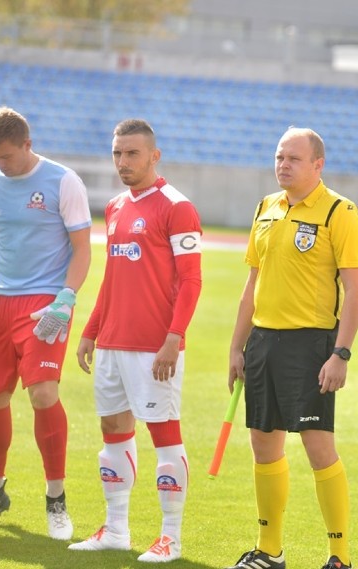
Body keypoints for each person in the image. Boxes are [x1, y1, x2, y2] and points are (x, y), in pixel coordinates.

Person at [225, 127, 358, 569]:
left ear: (317, 165)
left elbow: (356, 290)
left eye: (293, 159)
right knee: (264, 446)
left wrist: (340, 354)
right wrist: (237, 347)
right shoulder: (266, 208)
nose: (283, 165)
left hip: (311, 345)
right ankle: (270, 552)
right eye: (279, 157)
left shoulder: (339, 211)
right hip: (263, 342)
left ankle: (339, 557)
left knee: (318, 447)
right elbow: (253, 284)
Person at [68, 119, 202, 563]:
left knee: (165, 436)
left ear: (153, 156)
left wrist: (173, 338)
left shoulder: (177, 207)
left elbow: (191, 281)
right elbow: (112, 277)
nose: (123, 162)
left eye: (132, 154)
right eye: (117, 154)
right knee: (113, 433)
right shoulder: (115, 206)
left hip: (154, 347)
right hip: (111, 344)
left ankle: (170, 538)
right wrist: (91, 330)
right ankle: (116, 530)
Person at [0, 106, 91, 540]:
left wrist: (66, 297)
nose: (0, 165)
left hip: (46, 302)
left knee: (43, 394)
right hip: (1, 301)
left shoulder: (63, 181)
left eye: (6, 156)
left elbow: (83, 248)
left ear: (27, 143)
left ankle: (56, 498)